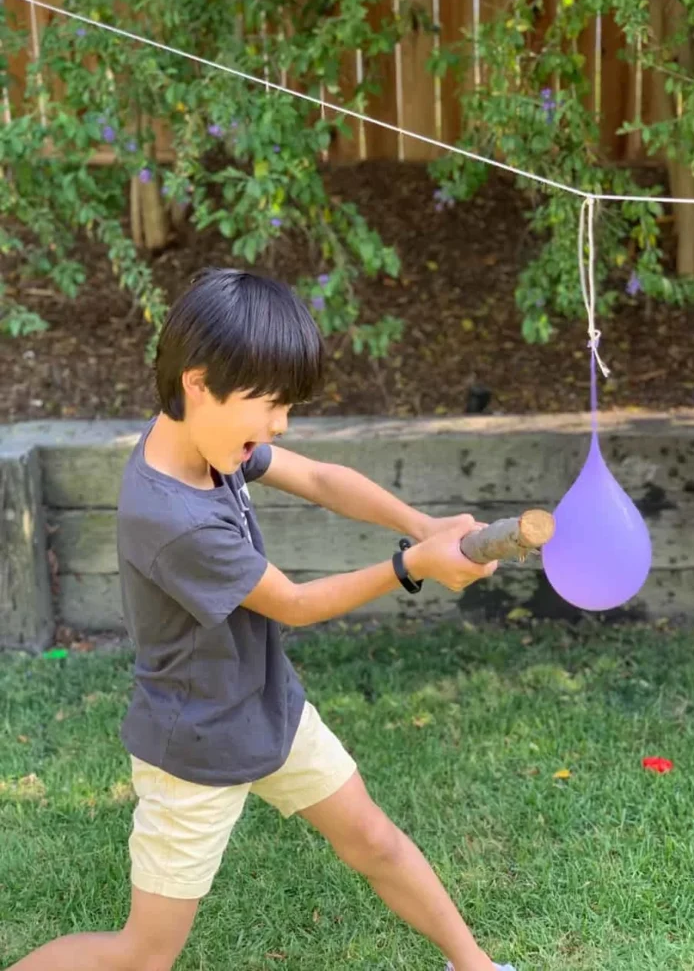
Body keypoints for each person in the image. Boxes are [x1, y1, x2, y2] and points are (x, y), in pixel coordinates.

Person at [8, 269, 514, 971]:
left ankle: (477, 967)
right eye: (269, 403)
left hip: (268, 707)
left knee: (374, 840)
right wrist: (413, 565)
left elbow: (318, 479)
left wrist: (421, 523)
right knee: (142, 955)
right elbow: (295, 604)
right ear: (198, 381)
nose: (279, 424)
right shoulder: (171, 516)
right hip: (197, 748)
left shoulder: (209, 443)